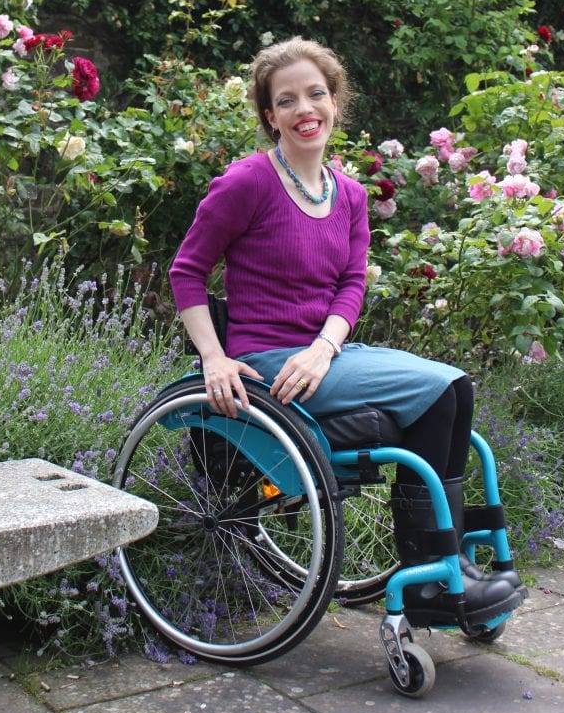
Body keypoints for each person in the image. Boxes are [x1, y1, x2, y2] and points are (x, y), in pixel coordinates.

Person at [169, 36, 523, 628]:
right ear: (269, 115)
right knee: (446, 386)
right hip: (267, 362)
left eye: (316, 94)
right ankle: (433, 579)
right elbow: (187, 272)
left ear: (335, 101)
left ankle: (440, 568)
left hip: (324, 355)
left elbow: (350, 287)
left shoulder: (351, 196)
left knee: (452, 392)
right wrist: (214, 357)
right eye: (287, 101)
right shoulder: (247, 183)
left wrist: (324, 347)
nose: (305, 109)